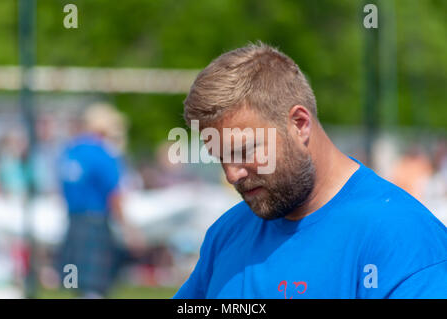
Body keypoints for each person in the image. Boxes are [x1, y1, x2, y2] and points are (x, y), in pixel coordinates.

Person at [173, 43, 447, 299]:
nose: (232, 175)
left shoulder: (404, 238)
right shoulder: (227, 233)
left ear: (299, 124)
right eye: (220, 157)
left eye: (244, 151)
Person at [57, 102, 140, 298]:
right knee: (96, 286)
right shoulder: (104, 154)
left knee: (77, 283)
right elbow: (115, 195)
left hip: (74, 223)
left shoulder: (70, 151)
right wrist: (129, 230)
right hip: (96, 224)